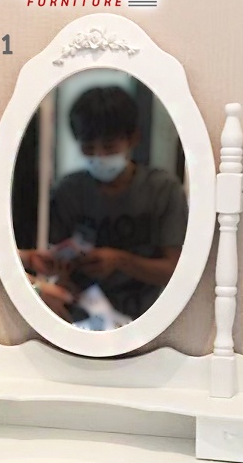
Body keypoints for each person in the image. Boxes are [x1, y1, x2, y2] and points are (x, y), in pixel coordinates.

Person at [47, 85, 188, 322]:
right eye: (88, 148)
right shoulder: (68, 192)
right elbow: (53, 262)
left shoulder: (163, 190)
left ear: (133, 138)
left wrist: (121, 261)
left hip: (148, 318)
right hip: (81, 317)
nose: (99, 157)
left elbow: (176, 272)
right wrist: (61, 282)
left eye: (109, 147)